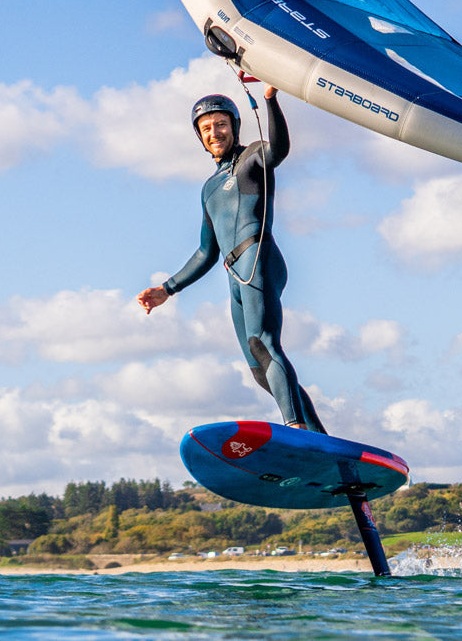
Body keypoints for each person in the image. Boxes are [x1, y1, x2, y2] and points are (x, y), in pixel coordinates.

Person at [137, 87, 326, 434]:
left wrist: (270, 100)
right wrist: (167, 289)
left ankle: (296, 428)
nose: (215, 132)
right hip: (233, 274)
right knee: (258, 368)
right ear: (200, 136)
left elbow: (279, 150)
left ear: (235, 126)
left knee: (263, 343)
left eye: (221, 124)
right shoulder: (209, 188)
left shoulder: (252, 158)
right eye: (206, 128)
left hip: (257, 256)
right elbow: (205, 252)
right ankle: (318, 440)